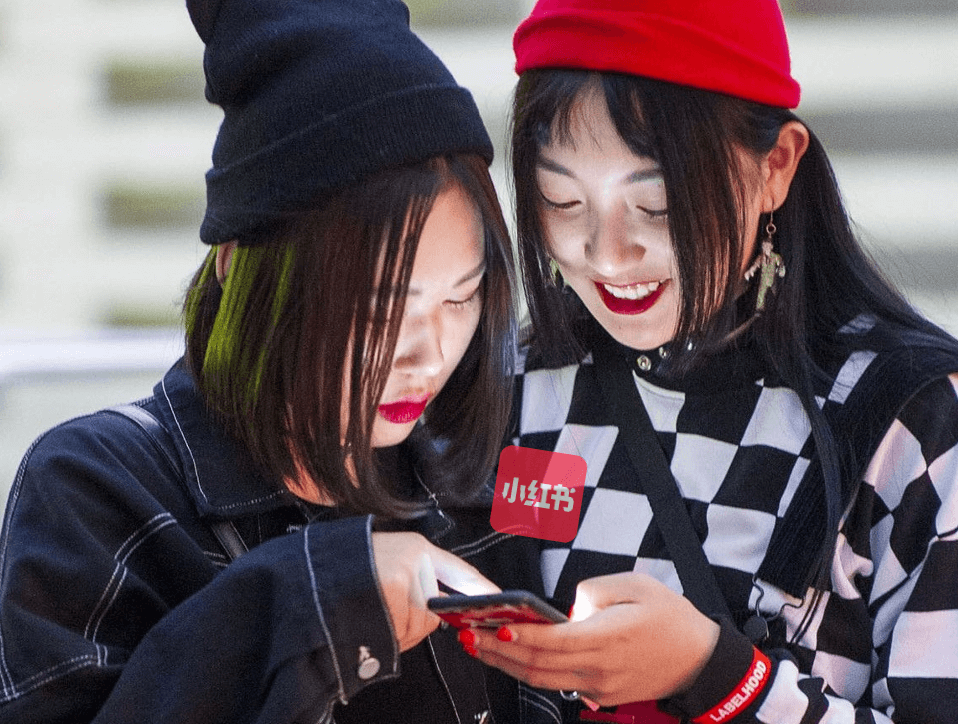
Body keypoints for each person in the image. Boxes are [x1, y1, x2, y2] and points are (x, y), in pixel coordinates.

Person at [0, 0, 521, 722]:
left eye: (461, 300)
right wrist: (320, 597)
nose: (428, 355)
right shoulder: (96, 489)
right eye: (377, 311)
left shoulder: (477, 472)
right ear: (237, 266)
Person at [464, 1, 958, 723]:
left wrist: (722, 676)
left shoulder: (911, 418)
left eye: (658, 203)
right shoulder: (509, 387)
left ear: (776, 167)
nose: (607, 252)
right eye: (561, 200)